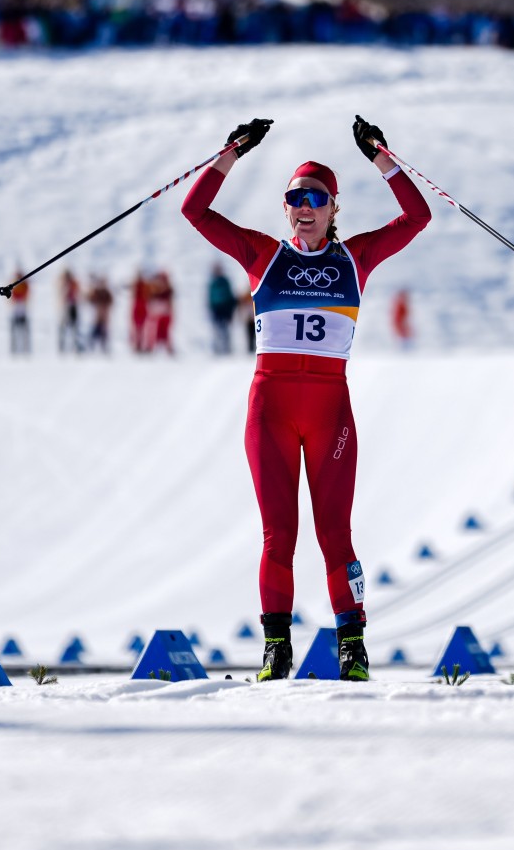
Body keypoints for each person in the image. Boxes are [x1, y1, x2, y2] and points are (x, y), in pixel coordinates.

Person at [181, 114, 430, 682]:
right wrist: (230, 152)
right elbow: (195, 212)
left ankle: (352, 647)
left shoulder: (355, 259)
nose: (305, 207)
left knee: (335, 534)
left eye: (316, 197)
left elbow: (418, 217)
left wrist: (382, 158)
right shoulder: (262, 255)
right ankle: (276, 647)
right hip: (270, 408)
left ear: (334, 207)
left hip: (328, 410)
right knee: (279, 535)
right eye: (295, 197)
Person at [207, 262, 236, 355]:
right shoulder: (213, 283)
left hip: (225, 308)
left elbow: (230, 295)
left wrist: (231, 308)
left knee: (225, 328)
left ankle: (226, 348)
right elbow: (211, 297)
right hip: (216, 309)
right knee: (217, 328)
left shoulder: (225, 281)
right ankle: (217, 348)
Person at [86, 274, 113, 353]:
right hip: (98, 316)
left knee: (104, 333)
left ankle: (104, 347)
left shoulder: (107, 292)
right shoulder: (97, 292)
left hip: (104, 316)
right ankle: (91, 346)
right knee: (95, 331)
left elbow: (111, 302)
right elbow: (90, 299)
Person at [58, 269, 82, 354]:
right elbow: (60, 295)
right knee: (63, 327)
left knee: (74, 327)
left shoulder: (73, 283)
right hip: (65, 307)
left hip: (73, 306)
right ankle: (62, 348)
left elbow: (78, 293)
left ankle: (75, 347)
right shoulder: (62, 283)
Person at [9, 271, 31, 355]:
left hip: (22, 310)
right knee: (14, 332)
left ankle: (26, 349)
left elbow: (27, 294)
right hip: (16, 310)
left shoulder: (24, 285)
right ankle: (14, 350)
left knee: (24, 331)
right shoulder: (13, 284)